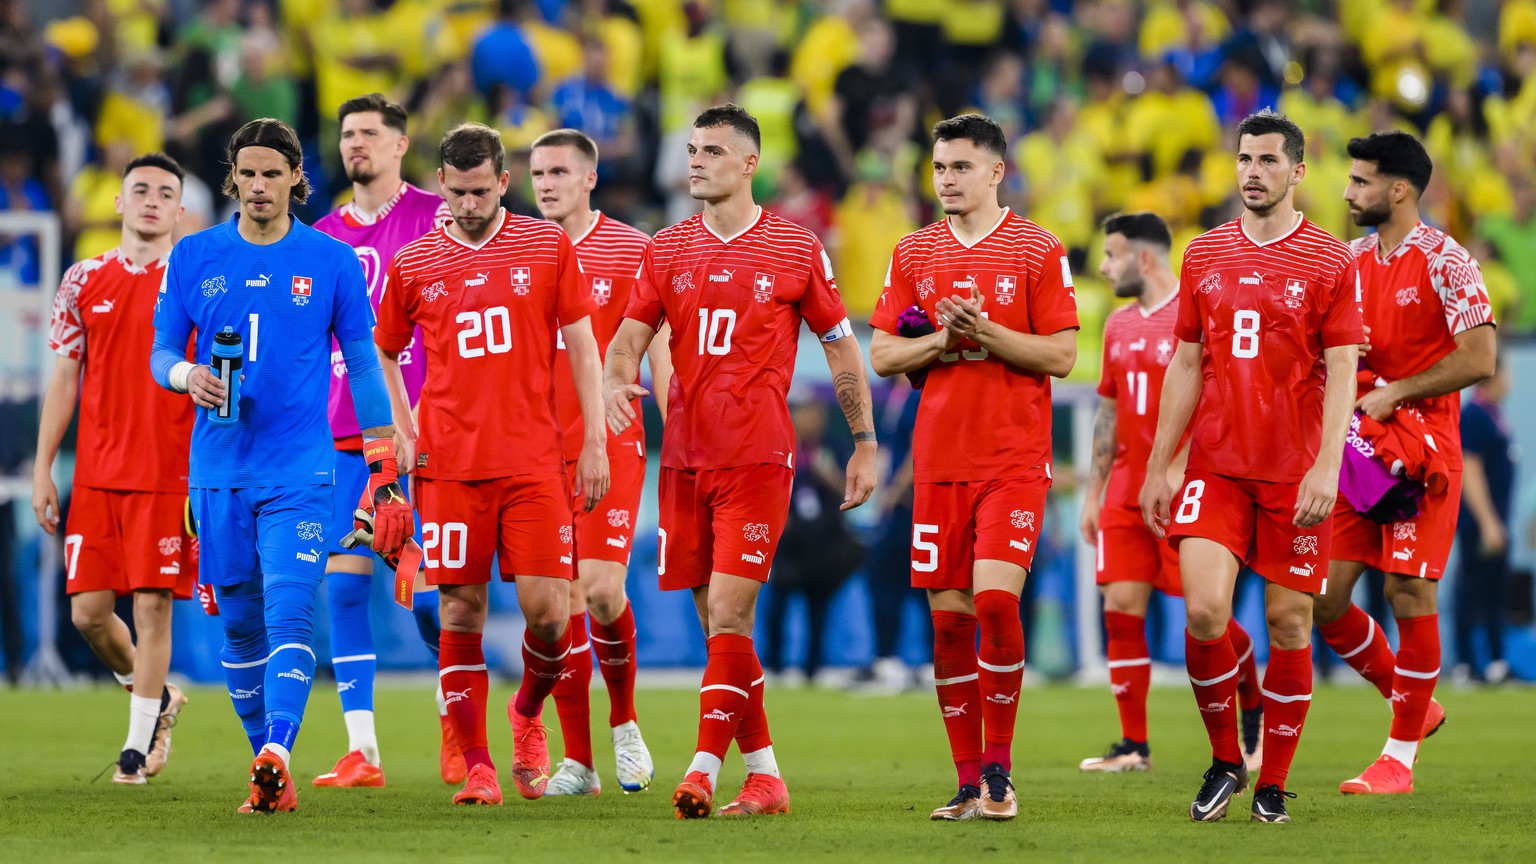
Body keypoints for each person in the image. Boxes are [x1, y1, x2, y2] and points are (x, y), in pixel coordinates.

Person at [602, 103, 877, 820]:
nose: (696, 161)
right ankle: (766, 777)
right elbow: (629, 339)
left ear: (749, 164)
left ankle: (700, 769)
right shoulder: (665, 248)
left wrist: (865, 442)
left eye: (714, 151)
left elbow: (843, 347)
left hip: (757, 456)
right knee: (720, 625)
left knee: (728, 610)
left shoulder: (794, 247)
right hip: (685, 460)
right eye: (692, 149)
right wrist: (612, 384)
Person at [152, 118, 414, 813]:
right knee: (239, 623)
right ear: (231, 177)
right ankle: (267, 770)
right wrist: (187, 375)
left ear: (297, 178)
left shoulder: (330, 261)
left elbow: (363, 362)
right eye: (249, 173)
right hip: (217, 470)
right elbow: (158, 352)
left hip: (302, 468)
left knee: (293, 611)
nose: (260, 186)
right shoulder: (194, 256)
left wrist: (384, 463)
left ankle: (277, 750)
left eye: (274, 173)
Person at [376, 122, 610, 807]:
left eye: (481, 191)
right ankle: (478, 767)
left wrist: (593, 440)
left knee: (548, 617)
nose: (469, 205)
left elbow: (583, 346)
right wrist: (404, 424)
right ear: (441, 184)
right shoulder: (415, 262)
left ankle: (526, 713)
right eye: (457, 193)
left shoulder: (545, 245)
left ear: (503, 182)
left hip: (535, 461)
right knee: (459, 609)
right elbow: (384, 350)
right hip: (449, 464)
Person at [1140, 110, 1361, 825]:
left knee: (1290, 625)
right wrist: (1159, 464)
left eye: (1268, 160)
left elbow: (1343, 367)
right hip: (1219, 466)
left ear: (1297, 171)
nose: (1253, 172)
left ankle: (1274, 785)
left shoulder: (1330, 260)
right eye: (1244, 159)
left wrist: (1328, 466)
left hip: (1295, 473)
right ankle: (1226, 759)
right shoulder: (1203, 253)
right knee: (1204, 612)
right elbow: (1186, 360)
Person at [869, 113, 1079, 822]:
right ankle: (967, 780)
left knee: (994, 601)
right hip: (938, 461)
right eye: (938, 168)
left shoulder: (1038, 248)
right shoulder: (912, 252)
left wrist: (983, 330)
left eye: (960, 167)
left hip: (1012, 459)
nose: (947, 180)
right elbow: (882, 355)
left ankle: (1000, 769)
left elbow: (1061, 355)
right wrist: (939, 339)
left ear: (996, 172)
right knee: (950, 620)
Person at [1318, 131, 1497, 795]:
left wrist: (1397, 390)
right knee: (1324, 598)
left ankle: (1398, 760)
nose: (1347, 192)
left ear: (1398, 189)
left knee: (1407, 591)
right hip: (1359, 448)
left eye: (1360, 181)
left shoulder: (1448, 262)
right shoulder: (1348, 261)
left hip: (1423, 453)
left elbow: (1480, 358)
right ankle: (1415, 702)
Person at [1078, 212, 1265, 776]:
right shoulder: (1115, 325)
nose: (1104, 268)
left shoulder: (1196, 314)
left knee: (1204, 611)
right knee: (1120, 606)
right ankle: (1133, 745)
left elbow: (1217, 399)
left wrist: (1181, 465)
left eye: (1111, 256)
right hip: (1126, 485)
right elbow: (1107, 411)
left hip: (1184, 486)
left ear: (1144, 258)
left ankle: (1250, 692)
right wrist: (1094, 491)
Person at [310, 92, 459, 790]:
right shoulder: (319, 238)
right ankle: (362, 752)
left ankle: (457, 723)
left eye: (369, 132)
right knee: (343, 590)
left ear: (402, 144)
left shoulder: (441, 217)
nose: (355, 144)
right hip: (343, 438)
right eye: (347, 133)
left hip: (428, 437)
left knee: (432, 598)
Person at [32, 152, 195, 785]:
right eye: (140, 190)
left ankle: (136, 747)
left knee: (153, 606)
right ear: (120, 203)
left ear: (180, 211)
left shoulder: (194, 282)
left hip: (167, 471)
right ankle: (155, 699)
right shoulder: (82, 280)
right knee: (88, 615)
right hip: (98, 474)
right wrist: (45, 468)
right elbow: (65, 379)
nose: (152, 200)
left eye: (164, 192)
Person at [528, 127, 669, 796]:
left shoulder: (634, 248)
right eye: (537, 173)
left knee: (602, 589)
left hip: (609, 436)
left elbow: (659, 349)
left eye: (558, 171)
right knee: (558, 606)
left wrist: (680, 435)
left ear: (588, 179)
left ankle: (625, 723)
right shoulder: (517, 251)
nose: (546, 183)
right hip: (534, 445)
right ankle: (579, 763)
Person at [1455, 361, 1516, 684]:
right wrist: (1489, 521)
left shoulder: (1494, 414)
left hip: (1497, 521)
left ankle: (1495, 663)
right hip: (1480, 523)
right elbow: (1471, 469)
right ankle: (1465, 663)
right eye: (1508, 372)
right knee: (1471, 589)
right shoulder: (1475, 415)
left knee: (1495, 592)